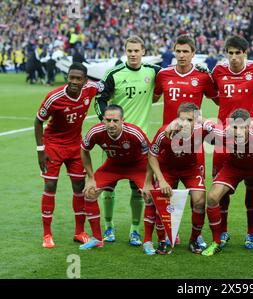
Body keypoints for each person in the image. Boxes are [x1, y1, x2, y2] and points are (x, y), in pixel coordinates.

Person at [95, 35, 161, 246]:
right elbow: (100, 100)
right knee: (108, 187)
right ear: (126, 51)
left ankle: (134, 230)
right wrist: (108, 125)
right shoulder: (114, 74)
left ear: (143, 51)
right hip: (114, 139)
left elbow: (175, 75)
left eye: (136, 50)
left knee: (138, 189)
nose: (133, 54)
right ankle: (109, 227)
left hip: (140, 142)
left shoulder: (152, 71)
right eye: (129, 50)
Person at [153, 35, 218, 248]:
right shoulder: (163, 75)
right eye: (178, 51)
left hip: (194, 146)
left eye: (185, 51)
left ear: (193, 53)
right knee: (163, 196)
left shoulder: (202, 77)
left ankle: (195, 238)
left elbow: (217, 98)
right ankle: (167, 236)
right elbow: (152, 98)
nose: (181, 55)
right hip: (168, 144)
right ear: (174, 52)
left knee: (198, 199)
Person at [211, 35, 253, 249]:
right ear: (226, 54)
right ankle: (223, 232)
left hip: (252, 135)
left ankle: (251, 233)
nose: (234, 57)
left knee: (251, 185)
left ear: (245, 53)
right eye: (231, 53)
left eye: (238, 53)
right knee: (221, 188)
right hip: (223, 136)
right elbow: (211, 92)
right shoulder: (218, 71)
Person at [34, 62, 103, 248]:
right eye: (71, 77)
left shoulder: (90, 89)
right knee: (50, 185)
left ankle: (79, 232)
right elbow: (38, 121)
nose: (73, 81)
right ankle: (47, 234)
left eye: (78, 78)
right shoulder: (54, 97)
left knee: (79, 187)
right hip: (53, 145)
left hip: (75, 146)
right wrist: (41, 151)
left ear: (85, 80)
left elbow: (106, 84)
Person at [199, 108, 253, 257]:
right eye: (235, 127)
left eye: (243, 127)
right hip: (234, 167)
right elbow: (203, 121)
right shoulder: (223, 132)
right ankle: (216, 242)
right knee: (212, 197)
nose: (238, 131)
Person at [80, 104, 155, 250]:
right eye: (108, 120)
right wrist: (90, 178)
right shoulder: (95, 131)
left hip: (137, 166)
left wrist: (147, 183)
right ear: (103, 120)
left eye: (115, 121)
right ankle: (97, 238)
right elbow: (84, 150)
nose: (111, 124)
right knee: (89, 193)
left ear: (122, 120)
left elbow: (151, 155)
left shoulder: (135, 133)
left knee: (150, 195)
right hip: (113, 166)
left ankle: (145, 239)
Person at [147, 103, 209, 255]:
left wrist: (204, 120)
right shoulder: (165, 132)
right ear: (177, 118)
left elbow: (222, 131)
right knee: (162, 199)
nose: (185, 123)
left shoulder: (202, 130)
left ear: (196, 120)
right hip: (168, 169)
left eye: (190, 120)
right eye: (182, 119)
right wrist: (161, 180)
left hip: (191, 169)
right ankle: (162, 241)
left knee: (200, 200)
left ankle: (194, 240)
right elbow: (152, 155)